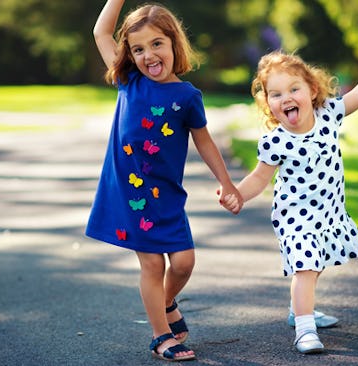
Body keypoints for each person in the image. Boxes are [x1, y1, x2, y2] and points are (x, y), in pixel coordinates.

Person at [221, 46, 358, 353]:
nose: (286, 98)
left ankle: (298, 308)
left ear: (312, 90)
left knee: (316, 263)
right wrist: (237, 194)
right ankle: (304, 328)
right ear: (268, 103)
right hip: (294, 217)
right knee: (306, 268)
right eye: (275, 94)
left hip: (329, 212)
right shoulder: (275, 141)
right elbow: (259, 178)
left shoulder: (329, 116)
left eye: (293, 89)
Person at [86, 0, 242, 361]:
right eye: (138, 49)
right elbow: (101, 32)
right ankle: (161, 336)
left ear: (174, 43)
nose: (148, 55)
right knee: (153, 264)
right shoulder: (129, 81)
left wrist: (227, 182)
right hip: (130, 194)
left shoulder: (187, 96)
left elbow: (203, 140)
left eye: (157, 44)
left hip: (167, 195)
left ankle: (167, 301)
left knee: (184, 263)